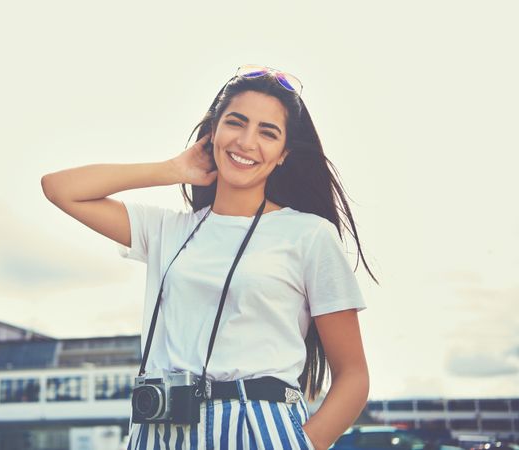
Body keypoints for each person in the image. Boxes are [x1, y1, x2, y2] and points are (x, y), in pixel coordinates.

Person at [41, 65, 378, 450]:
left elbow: (353, 375)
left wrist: (300, 444)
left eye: (268, 133)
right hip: (162, 427)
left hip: (260, 425)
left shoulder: (310, 236)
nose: (248, 142)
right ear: (213, 132)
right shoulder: (169, 230)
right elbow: (60, 188)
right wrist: (171, 169)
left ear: (283, 154)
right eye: (236, 123)